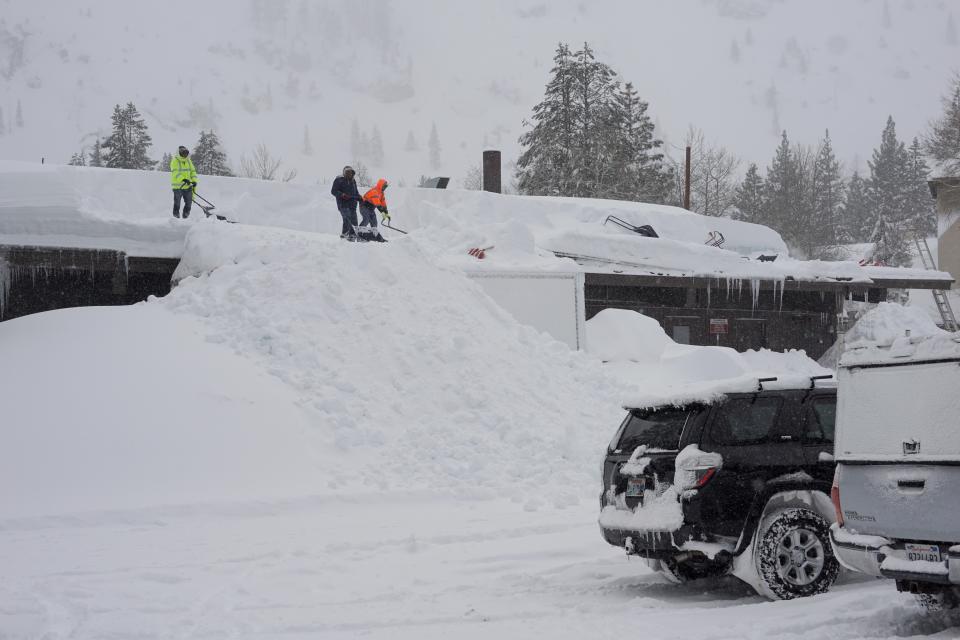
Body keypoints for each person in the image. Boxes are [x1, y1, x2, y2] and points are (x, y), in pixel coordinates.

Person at [330, 166, 361, 240]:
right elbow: (333, 191)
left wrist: (360, 198)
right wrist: (342, 195)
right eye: (347, 172)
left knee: (354, 221)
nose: (349, 173)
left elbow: (356, 192)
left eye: (350, 172)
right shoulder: (339, 179)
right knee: (347, 218)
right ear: (344, 172)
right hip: (343, 204)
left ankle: (352, 235)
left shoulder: (353, 181)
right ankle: (345, 234)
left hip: (353, 205)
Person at [170, 145, 198, 219]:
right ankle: (176, 216)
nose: (185, 155)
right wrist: (183, 179)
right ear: (179, 153)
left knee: (189, 202)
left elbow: (193, 172)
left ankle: (185, 215)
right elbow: (175, 173)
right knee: (177, 203)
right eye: (183, 153)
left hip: (188, 186)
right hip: (178, 186)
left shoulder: (188, 161)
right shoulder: (175, 161)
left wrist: (194, 181)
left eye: (186, 153)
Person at [358, 178, 389, 242]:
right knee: (366, 219)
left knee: (374, 222)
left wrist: (386, 212)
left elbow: (383, 202)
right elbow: (377, 204)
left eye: (385, 187)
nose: (385, 188)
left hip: (371, 208)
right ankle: (359, 233)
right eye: (384, 186)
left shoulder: (381, 193)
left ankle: (375, 236)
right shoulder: (374, 191)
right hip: (364, 206)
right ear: (381, 185)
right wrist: (382, 212)